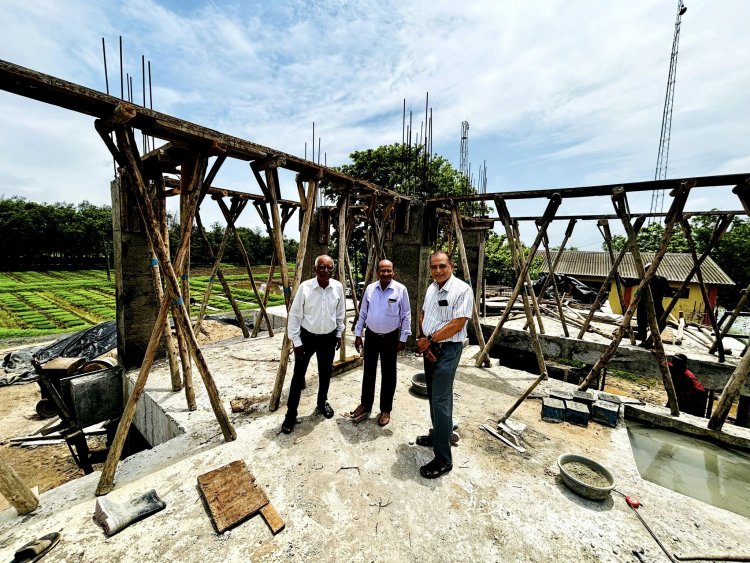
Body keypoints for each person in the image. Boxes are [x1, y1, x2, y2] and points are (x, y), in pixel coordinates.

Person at [414, 251, 473, 479]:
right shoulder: (432, 288)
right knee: (434, 396)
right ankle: (439, 434)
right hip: (430, 348)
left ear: (452, 266)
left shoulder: (461, 290)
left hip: (447, 351)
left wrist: (430, 340)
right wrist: (426, 344)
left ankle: (443, 459)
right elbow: (423, 314)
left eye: (442, 266)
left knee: (441, 400)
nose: (438, 271)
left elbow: (458, 324)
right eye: (434, 267)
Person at [281, 255, 345, 434]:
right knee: (298, 376)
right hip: (307, 338)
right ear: (315, 269)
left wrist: (338, 334)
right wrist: (297, 341)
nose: (325, 271)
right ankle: (291, 414)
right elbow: (294, 316)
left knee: (325, 373)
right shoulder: (305, 287)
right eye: (322, 267)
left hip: (328, 338)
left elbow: (340, 313)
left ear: (333, 269)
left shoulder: (337, 287)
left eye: (329, 267)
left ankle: (321, 402)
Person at [350, 259, 411, 426]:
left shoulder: (400, 290)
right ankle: (365, 404)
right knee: (368, 371)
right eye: (382, 270)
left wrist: (403, 338)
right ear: (377, 272)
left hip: (390, 337)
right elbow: (363, 312)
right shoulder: (370, 289)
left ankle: (386, 409)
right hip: (371, 336)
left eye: (388, 270)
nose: (385, 273)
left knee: (389, 374)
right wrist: (358, 334)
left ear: (393, 272)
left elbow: (406, 315)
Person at [623, 262, 672, 347]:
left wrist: (618, 277)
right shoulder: (660, 279)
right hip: (651, 306)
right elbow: (669, 293)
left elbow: (626, 284)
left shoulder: (648, 279)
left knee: (648, 324)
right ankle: (647, 341)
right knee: (657, 324)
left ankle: (648, 341)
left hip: (650, 306)